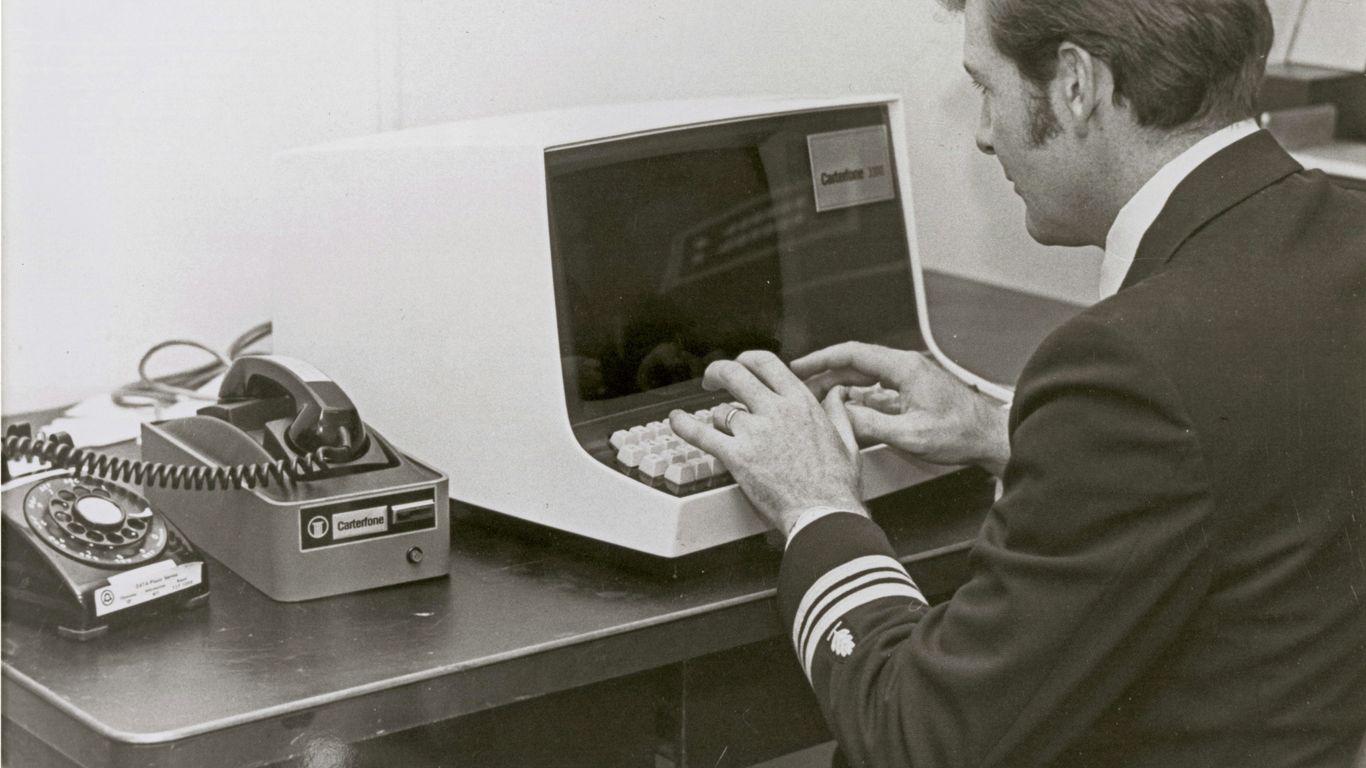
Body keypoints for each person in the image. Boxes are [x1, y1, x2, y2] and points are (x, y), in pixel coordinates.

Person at [668, 0, 1366, 765]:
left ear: (1075, 84)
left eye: (985, 87)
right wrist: (1005, 429)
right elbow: (1250, 440)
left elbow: (920, 735)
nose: (983, 132)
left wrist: (814, 504)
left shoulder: (1128, 364)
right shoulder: (1344, 234)